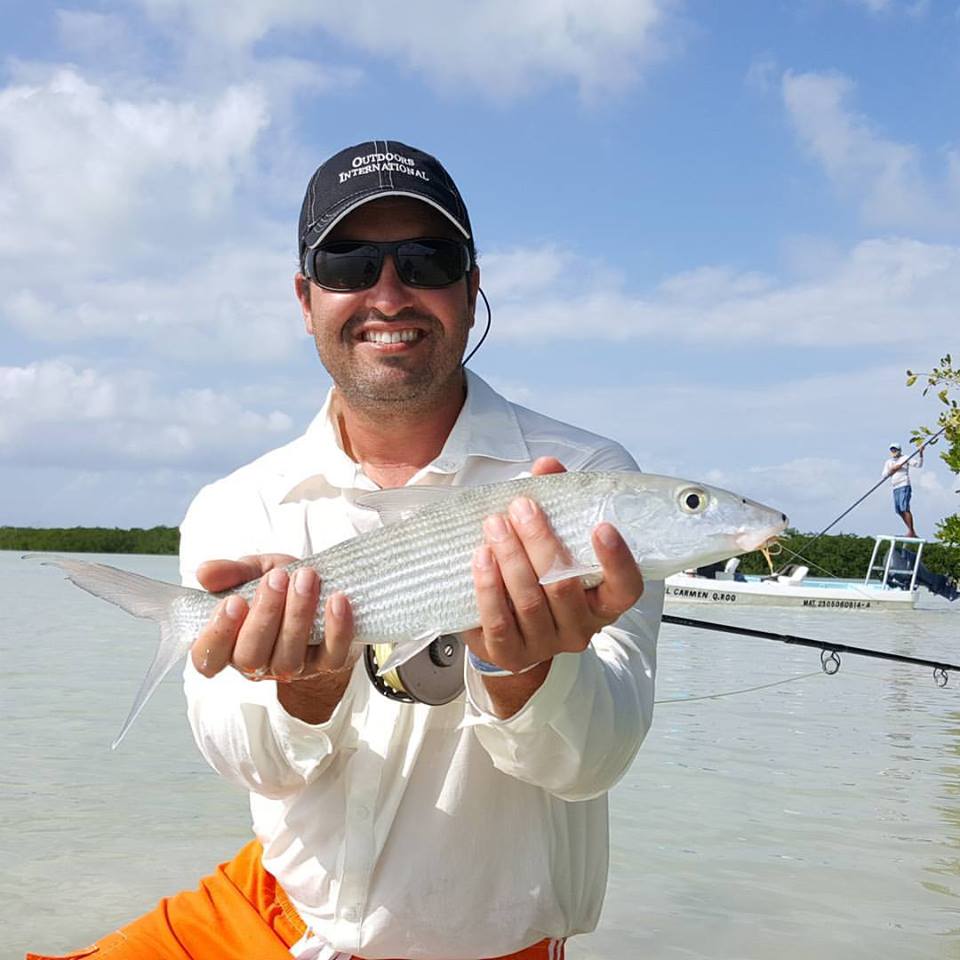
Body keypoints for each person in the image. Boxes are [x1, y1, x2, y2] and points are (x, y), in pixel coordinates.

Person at [28, 141, 661, 960]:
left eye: (426, 259)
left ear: (471, 290)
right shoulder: (235, 505)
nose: (388, 293)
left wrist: (527, 672)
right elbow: (243, 760)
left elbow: (594, 763)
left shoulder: (589, 481)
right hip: (272, 909)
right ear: (305, 297)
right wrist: (306, 690)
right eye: (349, 263)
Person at [883, 442, 923, 538]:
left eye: (895, 449)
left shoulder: (905, 458)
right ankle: (911, 531)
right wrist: (893, 469)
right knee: (899, 510)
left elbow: (918, 465)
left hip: (904, 485)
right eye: (892, 450)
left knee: (904, 507)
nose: (893, 451)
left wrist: (921, 454)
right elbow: (884, 475)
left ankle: (911, 531)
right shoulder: (888, 462)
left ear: (899, 450)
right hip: (895, 487)